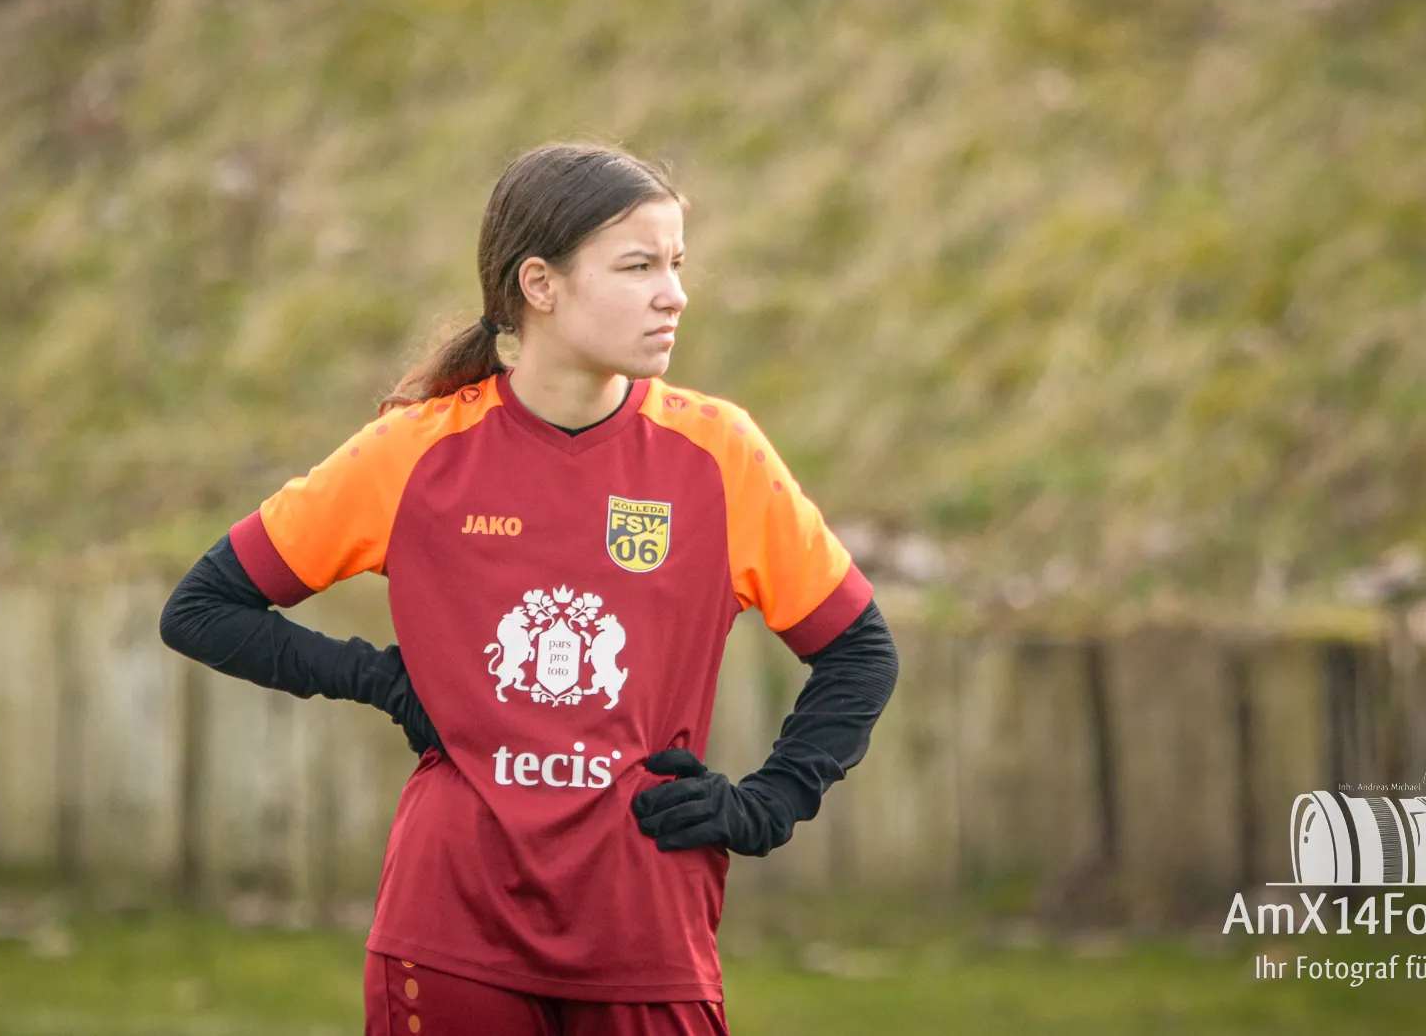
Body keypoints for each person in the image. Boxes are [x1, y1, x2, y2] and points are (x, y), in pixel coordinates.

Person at [161, 142, 899, 1036]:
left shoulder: (719, 455)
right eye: (639, 266)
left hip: (646, 932)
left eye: (677, 264)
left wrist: (770, 801)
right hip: (449, 932)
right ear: (540, 284)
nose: (674, 294)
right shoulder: (416, 452)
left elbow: (859, 651)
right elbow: (203, 608)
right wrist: (385, 679)